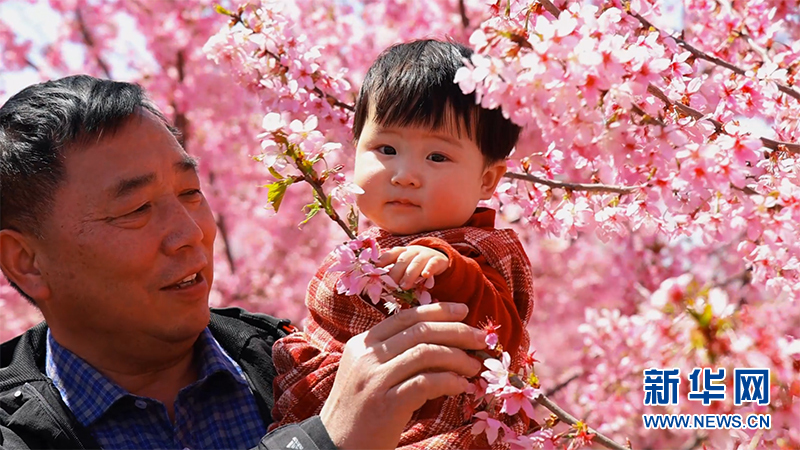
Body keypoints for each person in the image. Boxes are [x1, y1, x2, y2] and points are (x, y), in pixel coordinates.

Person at [0, 75, 490, 450]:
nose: (191, 234)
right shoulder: (14, 429)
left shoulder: (298, 363)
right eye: (136, 210)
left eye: (191, 193)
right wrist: (324, 439)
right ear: (27, 262)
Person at [272, 40, 535, 449]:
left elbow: (503, 336)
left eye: (437, 157)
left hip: (448, 432)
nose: (406, 175)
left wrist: (449, 270)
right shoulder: (360, 251)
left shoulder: (484, 249)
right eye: (387, 149)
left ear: (487, 180)